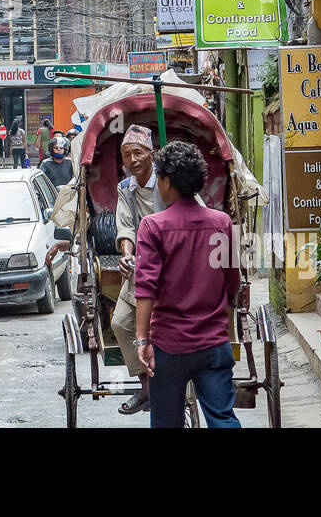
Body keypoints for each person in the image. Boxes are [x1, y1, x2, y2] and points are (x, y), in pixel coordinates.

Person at [134, 141, 241, 429]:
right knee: (223, 418)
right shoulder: (222, 223)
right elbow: (233, 283)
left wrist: (142, 340)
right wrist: (224, 328)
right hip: (213, 343)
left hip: (170, 346)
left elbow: (146, 289)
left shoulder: (152, 226)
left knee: (167, 423)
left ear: (167, 181)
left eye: (158, 177)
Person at [109, 125, 162, 414]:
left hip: (173, 266)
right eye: (127, 155)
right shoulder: (125, 188)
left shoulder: (168, 181)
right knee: (120, 323)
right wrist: (128, 256)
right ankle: (145, 388)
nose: (133, 159)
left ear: (151, 154)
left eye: (138, 152)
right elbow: (125, 225)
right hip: (142, 267)